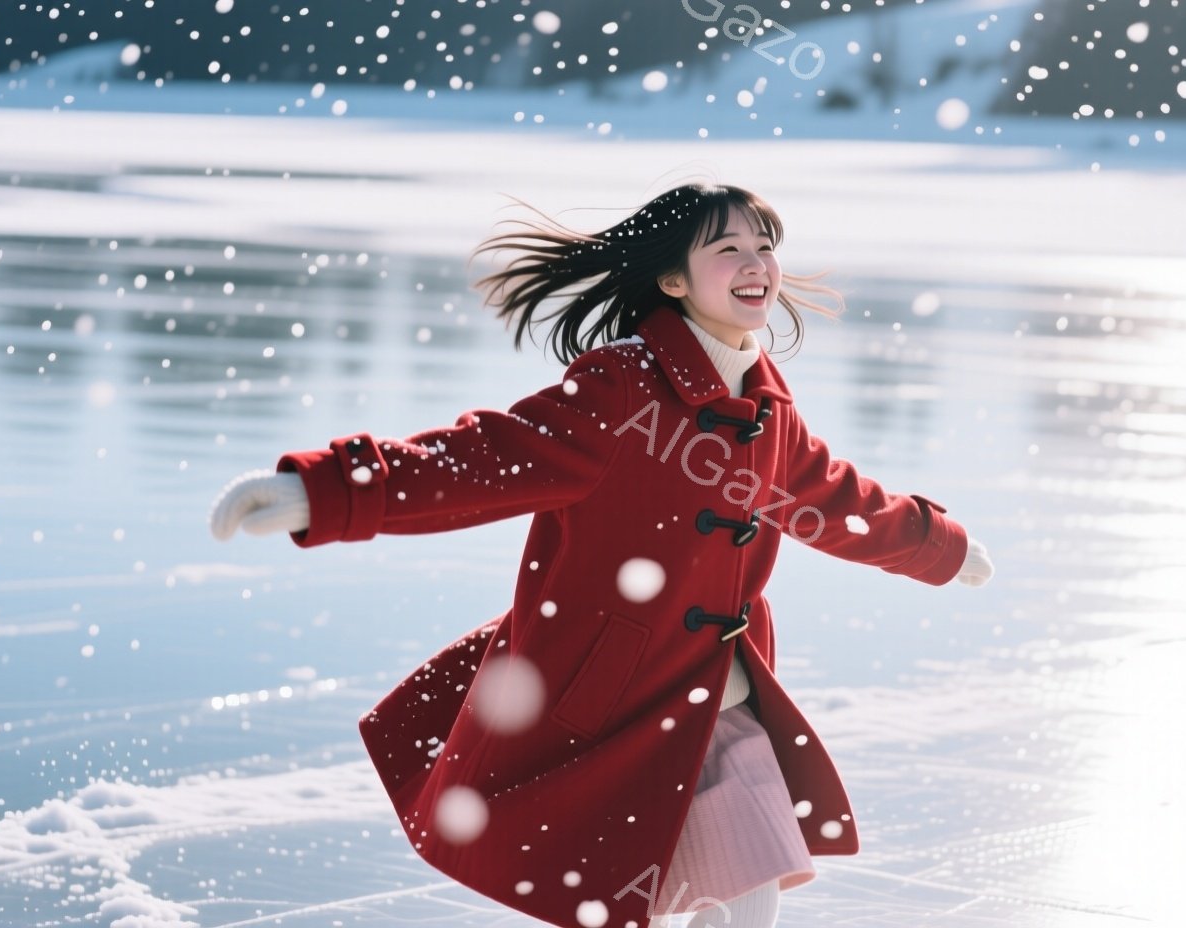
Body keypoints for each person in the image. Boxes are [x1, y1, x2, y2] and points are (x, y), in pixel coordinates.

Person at [208, 183, 994, 928]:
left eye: (766, 244)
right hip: (622, 700)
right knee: (640, 900)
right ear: (674, 280)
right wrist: (332, 491)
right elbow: (487, 458)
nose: (756, 264)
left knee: (749, 891)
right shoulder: (622, 390)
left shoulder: (767, 409)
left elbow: (835, 502)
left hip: (723, 694)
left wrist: (939, 547)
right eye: (728, 248)